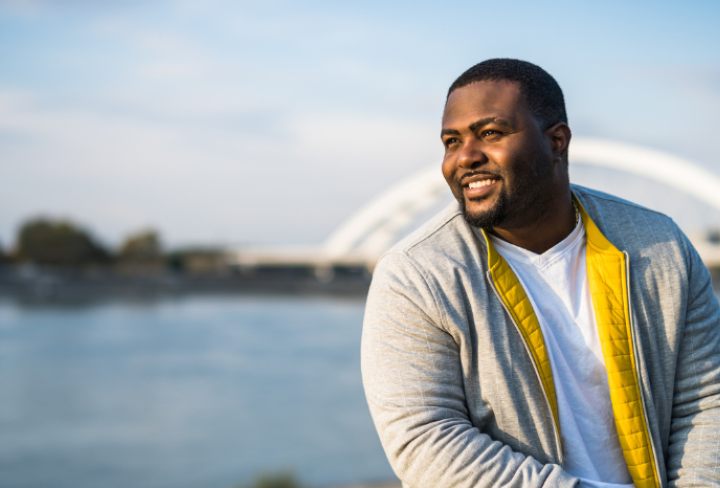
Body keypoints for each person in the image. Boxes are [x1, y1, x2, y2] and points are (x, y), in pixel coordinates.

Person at [361, 59, 720, 488]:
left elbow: (707, 399)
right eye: (451, 141)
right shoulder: (417, 275)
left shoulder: (659, 246)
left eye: (490, 133)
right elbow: (426, 441)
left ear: (557, 142)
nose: (465, 157)